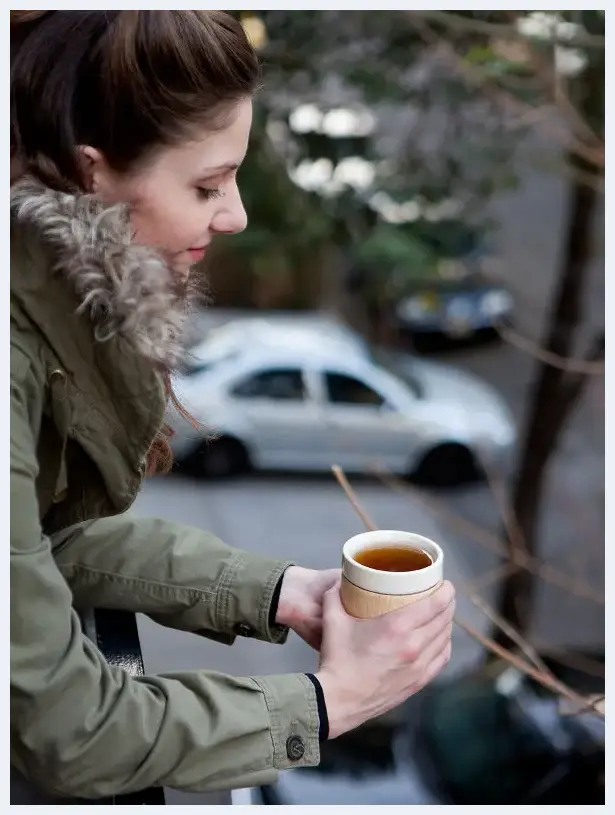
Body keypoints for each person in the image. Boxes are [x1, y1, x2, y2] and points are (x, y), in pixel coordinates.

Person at [10, 10, 456, 801]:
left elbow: (46, 540)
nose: (236, 214)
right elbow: (67, 731)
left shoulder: (49, 297)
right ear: (90, 173)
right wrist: (329, 703)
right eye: (207, 184)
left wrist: (279, 591)